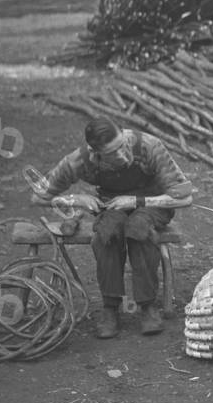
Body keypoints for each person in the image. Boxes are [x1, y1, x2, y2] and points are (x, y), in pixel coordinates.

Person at [31, 117, 193, 338]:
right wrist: (74, 198)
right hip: (112, 204)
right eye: (111, 153)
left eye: (122, 146)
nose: (122, 155)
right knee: (106, 234)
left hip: (153, 203)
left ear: (123, 133)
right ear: (95, 151)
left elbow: (184, 198)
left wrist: (137, 202)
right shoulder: (80, 160)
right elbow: (38, 196)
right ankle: (110, 308)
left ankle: (147, 306)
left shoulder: (149, 146)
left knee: (138, 229)